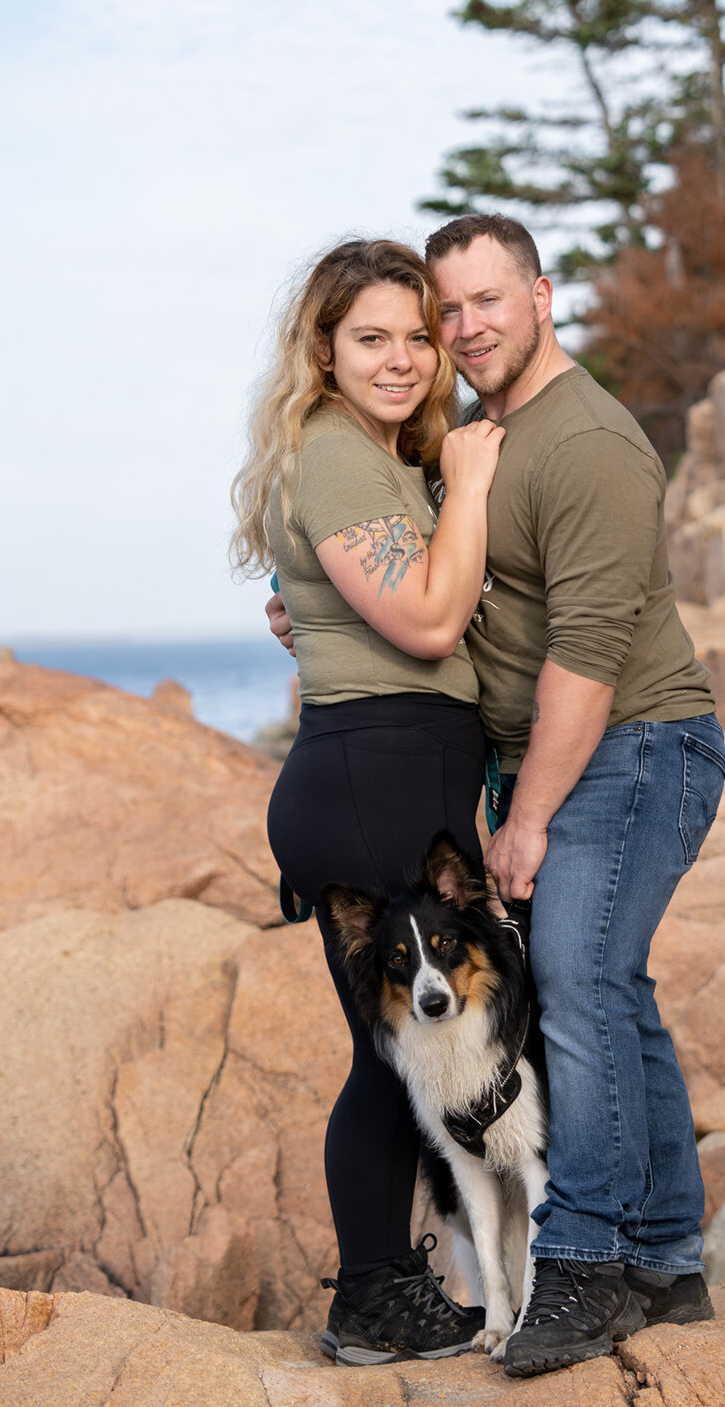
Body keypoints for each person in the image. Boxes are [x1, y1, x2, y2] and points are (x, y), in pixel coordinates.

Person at [424, 213, 725, 1380]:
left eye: (487, 300)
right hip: (572, 750)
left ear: (542, 295)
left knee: (583, 982)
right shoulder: (480, 434)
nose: (465, 328)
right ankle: (664, 1259)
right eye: (447, 310)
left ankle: (587, 1261)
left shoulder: (589, 442)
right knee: (618, 988)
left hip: (639, 745)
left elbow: (589, 654)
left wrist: (529, 816)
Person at [231, 237, 505, 1368]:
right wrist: (478, 482)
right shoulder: (340, 454)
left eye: (413, 334)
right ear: (323, 351)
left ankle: (405, 1286)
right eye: (369, 338)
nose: (399, 358)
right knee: (391, 1057)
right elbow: (432, 621)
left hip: (402, 768)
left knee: (403, 1055)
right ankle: (374, 1299)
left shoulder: (393, 455)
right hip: (366, 778)